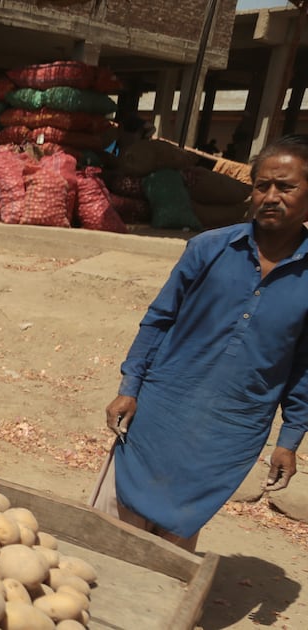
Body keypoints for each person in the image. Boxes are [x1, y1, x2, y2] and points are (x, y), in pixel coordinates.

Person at [92, 134, 308, 551]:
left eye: (286, 187)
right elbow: (159, 320)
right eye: (262, 185)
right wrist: (129, 386)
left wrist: (289, 440)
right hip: (162, 407)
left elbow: (303, 367)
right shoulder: (209, 248)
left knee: (178, 533)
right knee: (113, 529)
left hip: (233, 424)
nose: (270, 197)